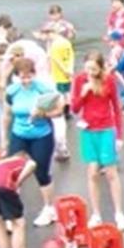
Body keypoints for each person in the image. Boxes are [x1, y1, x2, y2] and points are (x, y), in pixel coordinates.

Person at [70, 51, 124, 231]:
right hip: (88, 130)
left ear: (101, 68)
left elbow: (116, 109)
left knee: (111, 172)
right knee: (93, 172)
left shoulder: (109, 80)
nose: (90, 72)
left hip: (105, 129)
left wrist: (119, 135)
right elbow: (74, 108)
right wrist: (83, 92)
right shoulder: (80, 80)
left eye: (94, 69)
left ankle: (119, 213)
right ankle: (96, 214)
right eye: (87, 68)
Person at [3, 57, 60, 228]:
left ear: (34, 74)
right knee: (13, 173)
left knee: (41, 172)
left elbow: (59, 109)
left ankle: (49, 209)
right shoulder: (12, 91)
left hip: (41, 134)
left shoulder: (43, 89)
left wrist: (43, 115)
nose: (26, 80)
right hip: (19, 133)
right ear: (17, 77)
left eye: (29, 76)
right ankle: (11, 211)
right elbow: (7, 115)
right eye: (23, 77)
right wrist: (4, 139)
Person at [46, 25, 75, 157]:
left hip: (58, 75)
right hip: (67, 73)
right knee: (67, 92)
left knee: (59, 94)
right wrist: (69, 69)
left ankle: (63, 110)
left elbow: (55, 60)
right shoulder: (66, 43)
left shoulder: (55, 45)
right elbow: (71, 56)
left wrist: (62, 69)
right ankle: (68, 109)